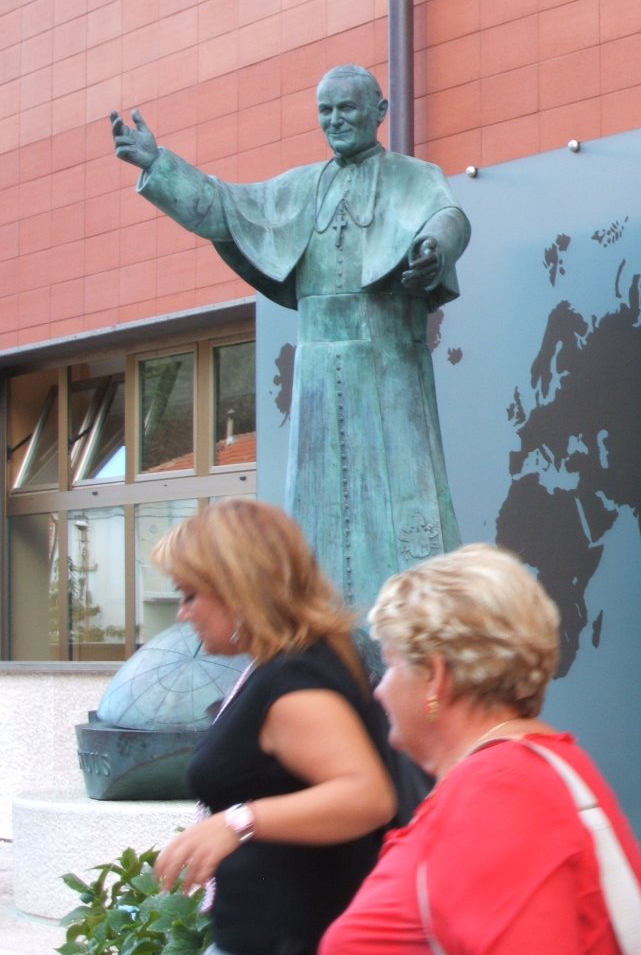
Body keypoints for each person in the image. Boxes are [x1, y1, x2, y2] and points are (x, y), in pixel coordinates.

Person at [112, 64, 470, 615]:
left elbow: (449, 216)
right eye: (325, 110)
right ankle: (315, 616)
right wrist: (160, 166)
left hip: (389, 361)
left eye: (346, 107)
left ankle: (416, 620)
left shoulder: (414, 176)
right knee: (320, 506)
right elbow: (222, 207)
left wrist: (432, 249)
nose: (335, 120)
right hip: (318, 375)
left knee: (401, 502)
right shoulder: (301, 186)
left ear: (379, 111)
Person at [319, 543, 641, 955]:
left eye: (390, 665)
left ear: (435, 678)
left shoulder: (500, 791)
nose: (380, 689)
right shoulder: (537, 768)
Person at [151, 499, 398, 955]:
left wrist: (238, 821)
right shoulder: (293, 663)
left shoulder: (294, 681)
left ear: (236, 588)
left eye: (189, 595)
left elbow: (367, 797)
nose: (183, 614)